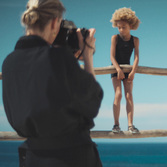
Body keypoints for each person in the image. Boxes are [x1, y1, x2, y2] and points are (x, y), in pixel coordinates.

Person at [2, 0, 103, 166]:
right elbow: (92, 101)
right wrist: (87, 56)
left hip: (32, 158)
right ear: (55, 22)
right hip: (72, 158)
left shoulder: (8, 63)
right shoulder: (58, 58)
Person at [109, 7, 140, 133]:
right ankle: (116, 125)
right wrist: (118, 70)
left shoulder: (135, 40)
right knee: (118, 94)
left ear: (131, 26)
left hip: (128, 69)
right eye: (119, 27)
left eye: (124, 27)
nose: (121, 30)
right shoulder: (115, 38)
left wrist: (133, 71)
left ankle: (130, 125)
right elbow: (111, 55)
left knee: (129, 96)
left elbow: (137, 57)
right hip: (115, 68)